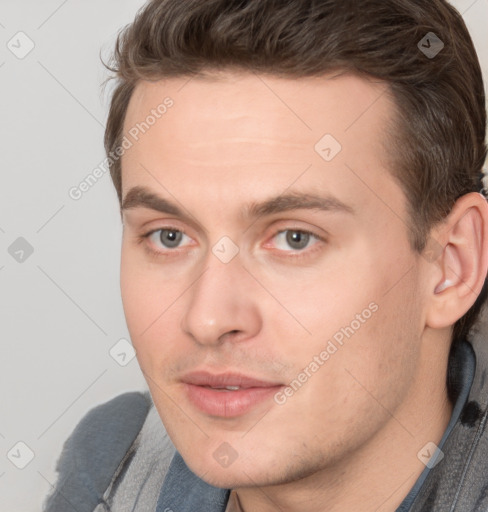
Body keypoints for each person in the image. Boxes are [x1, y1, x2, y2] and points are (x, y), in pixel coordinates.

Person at [44, 0, 488, 510]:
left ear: (453, 264)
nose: (208, 318)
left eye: (294, 238)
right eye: (169, 236)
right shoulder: (109, 472)